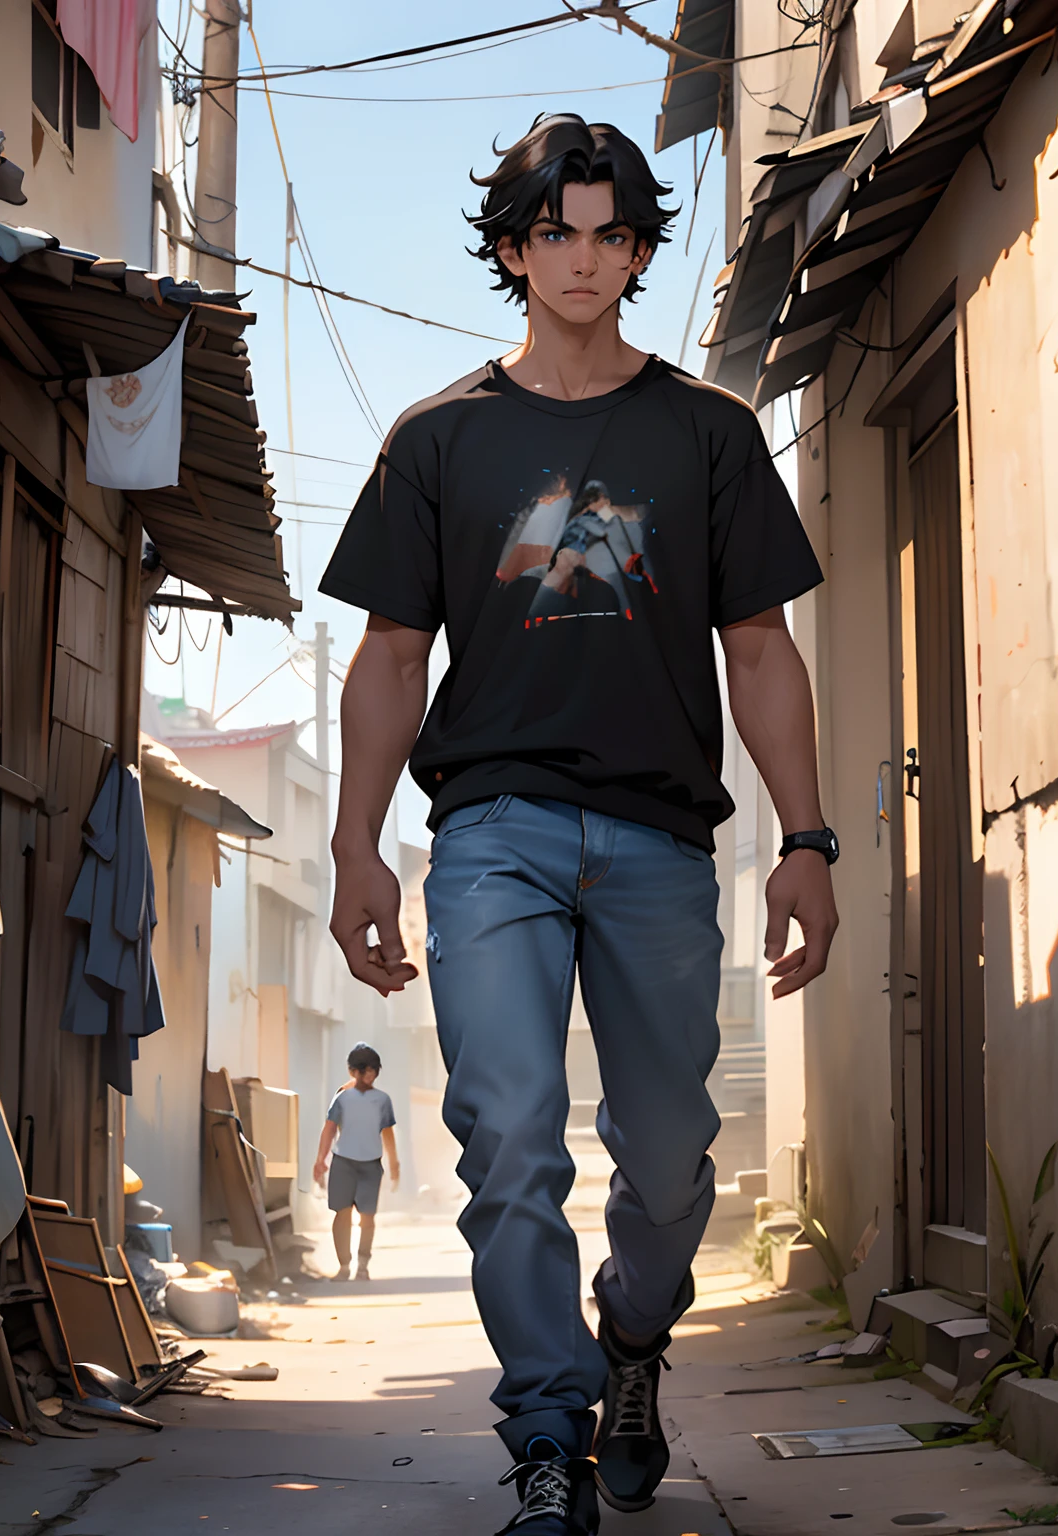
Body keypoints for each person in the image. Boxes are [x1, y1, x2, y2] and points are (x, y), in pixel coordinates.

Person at [319, 113, 839, 1536]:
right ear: (512, 247)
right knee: (508, 1131)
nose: (585, 257)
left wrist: (807, 838)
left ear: (639, 248)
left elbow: (763, 645)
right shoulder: (439, 441)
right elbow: (386, 656)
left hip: (664, 840)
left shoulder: (708, 434)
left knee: (669, 1153)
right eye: (557, 230)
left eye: (613, 232)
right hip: (490, 832)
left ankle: (633, 1338)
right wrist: (358, 842)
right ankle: (546, 1432)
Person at [312, 1041, 400, 1282]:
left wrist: (394, 1164)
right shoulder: (342, 1097)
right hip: (343, 1163)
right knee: (341, 1214)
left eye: (373, 1070)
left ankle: (363, 1264)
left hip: (371, 1164)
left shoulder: (382, 1100)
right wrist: (321, 1160)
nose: (369, 1075)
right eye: (364, 1070)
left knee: (368, 1216)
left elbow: (388, 1133)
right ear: (353, 1071)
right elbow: (329, 1129)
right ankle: (343, 1265)